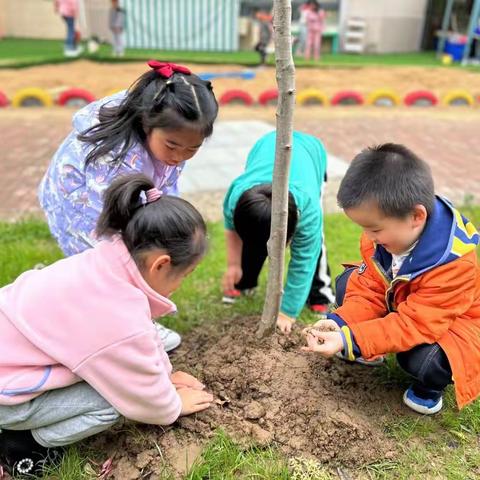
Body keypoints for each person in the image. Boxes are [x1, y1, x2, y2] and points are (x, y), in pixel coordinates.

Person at [0, 174, 214, 477]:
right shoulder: (117, 315)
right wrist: (171, 404)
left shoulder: (106, 266)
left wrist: (165, 374)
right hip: (8, 395)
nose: (183, 284)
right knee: (113, 403)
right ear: (161, 264)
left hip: (11, 358)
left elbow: (144, 336)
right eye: (186, 274)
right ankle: (26, 443)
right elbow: (142, 399)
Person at [38, 61, 218, 352]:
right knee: (111, 266)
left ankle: (106, 308)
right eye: (172, 146)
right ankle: (120, 329)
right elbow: (116, 223)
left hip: (117, 197)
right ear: (147, 124)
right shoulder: (116, 161)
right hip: (84, 209)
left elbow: (165, 182)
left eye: (191, 149)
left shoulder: (163, 124)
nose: (180, 156)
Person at [303, 144, 480, 415]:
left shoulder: (454, 264)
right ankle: (371, 348)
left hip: (453, 325)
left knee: (423, 359)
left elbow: (416, 324)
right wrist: (342, 322)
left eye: (374, 229)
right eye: (364, 228)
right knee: (347, 282)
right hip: (406, 304)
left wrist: (350, 339)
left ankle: (430, 387)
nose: (368, 236)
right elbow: (369, 287)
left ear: (416, 216)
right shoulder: (386, 239)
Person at [222, 131, 334, 334]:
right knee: (255, 238)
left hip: (310, 153)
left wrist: (287, 312)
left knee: (315, 243)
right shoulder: (237, 196)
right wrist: (233, 264)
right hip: (267, 144)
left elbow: (304, 261)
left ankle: (320, 293)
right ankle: (245, 281)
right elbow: (232, 229)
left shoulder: (307, 210)